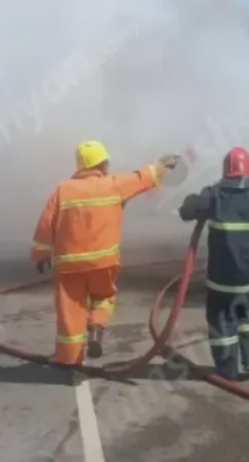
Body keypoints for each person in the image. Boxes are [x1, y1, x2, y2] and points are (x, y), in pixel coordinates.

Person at [31, 140, 179, 366]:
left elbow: (45, 224)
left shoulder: (63, 190)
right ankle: (96, 328)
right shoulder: (115, 184)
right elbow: (143, 177)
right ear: (101, 164)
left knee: (70, 314)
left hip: (69, 265)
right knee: (103, 297)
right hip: (103, 262)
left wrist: (41, 255)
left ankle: (69, 362)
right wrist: (163, 165)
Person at [178, 147, 249, 380]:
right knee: (247, 315)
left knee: (221, 319)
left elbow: (187, 211)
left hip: (222, 278)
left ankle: (227, 369)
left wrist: (198, 196)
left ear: (226, 170)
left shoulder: (214, 194)